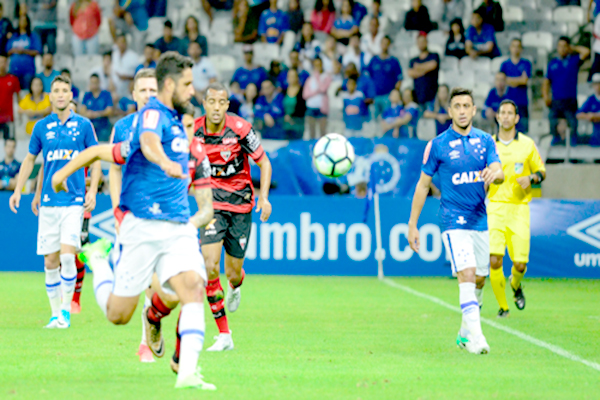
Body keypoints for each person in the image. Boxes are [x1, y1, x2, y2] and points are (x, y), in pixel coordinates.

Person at [75, 52, 217, 389]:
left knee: (194, 288)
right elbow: (139, 147)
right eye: (186, 84)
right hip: (141, 223)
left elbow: (207, 203)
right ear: (169, 85)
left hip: (177, 225)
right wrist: (165, 162)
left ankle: (187, 374)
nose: (192, 90)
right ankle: (99, 260)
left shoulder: (188, 139)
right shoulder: (149, 118)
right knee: (118, 315)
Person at [408, 87, 504, 354]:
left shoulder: (485, 140)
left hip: (479, 219)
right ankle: (477, 337)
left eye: (467, 106)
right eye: (457, 106)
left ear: (474, 110)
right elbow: (422, 185)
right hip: (452, 220)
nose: (462, 111)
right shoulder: (437, 145)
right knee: (468, 274)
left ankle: (464, 333)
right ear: (449, 111)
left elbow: (499, 170)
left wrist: (494, 174)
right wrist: (412, 224)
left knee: (481, 278)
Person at [9, 75, 101, 329]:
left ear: (71, 95)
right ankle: (54, 315)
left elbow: (95, 159)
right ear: (51, 96)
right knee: (50, 261)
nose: (61, 94)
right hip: (49, 203)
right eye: (56, 90)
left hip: (73, 201)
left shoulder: (83, 126)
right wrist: (20, 190)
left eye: (65, 90)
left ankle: (66, 311)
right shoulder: (41, 128)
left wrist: (92, 189)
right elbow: (34, 162)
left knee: (68, 257)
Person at [192, 81, 273, 354]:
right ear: (205, 104)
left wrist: (263, 197)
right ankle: (224, 334)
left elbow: (264, 162)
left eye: (221, 102)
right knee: (209, 266)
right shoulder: (194, 131)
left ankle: (235, 286)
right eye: (211, 102)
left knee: (233, 272)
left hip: (240, 205)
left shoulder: (241, 130)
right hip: (211, 207)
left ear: (227, 104)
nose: (216, 107)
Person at [106, 68, 158, 362]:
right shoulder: (123, 127)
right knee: (140, 284)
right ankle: (145, 341)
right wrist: (116, 209)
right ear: (134, 95)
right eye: (144, 91)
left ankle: (147, 339)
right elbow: (114, 168)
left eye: (153, 90)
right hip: (131, 215)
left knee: (161, 284)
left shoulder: (168, 124)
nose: (149, 95)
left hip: (161, 214)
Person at [488, 99, 545, 318]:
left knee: (520, 264)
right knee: (495, 259)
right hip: (495, 207)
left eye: (510, 113)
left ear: (516, 118)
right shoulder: (488, 144)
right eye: (502, 112)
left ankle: (515, 285)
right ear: (497, 116)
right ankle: (503, 307)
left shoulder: (528, 144)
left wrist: (532, 177)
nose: (505, 116)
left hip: (520, 208)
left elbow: (542, 172)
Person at [543, 36, 590, 146]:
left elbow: (586, 52)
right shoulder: (552, 63)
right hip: (556, 100)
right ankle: (556, 147)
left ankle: (573, 149)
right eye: (560, 46)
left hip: (570, 100)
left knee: (572, 125)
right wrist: (546, 96)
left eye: (564, 46)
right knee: (553, 124)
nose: (562, 49)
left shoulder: (573, 60)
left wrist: (572, 48)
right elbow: (546, 82)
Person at [498, 39, 531, 134]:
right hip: (508, 101)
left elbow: (524, 80)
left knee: (522, 132)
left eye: (518, 46)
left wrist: (510, 80)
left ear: (521, 49)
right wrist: (519, 80)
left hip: (522, 102)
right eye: (513, 46)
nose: (516, 49)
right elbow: (502, 80)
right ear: (510, 48)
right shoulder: (504, 65)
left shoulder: (526, 63)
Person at [366, 35, 402, 119]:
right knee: (373, 121)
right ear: (380, 44)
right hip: (375, 97)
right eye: (383, 43)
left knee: (387, 119)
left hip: (387, 97)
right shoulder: (374, 60)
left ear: (389, 45)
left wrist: (394, 94)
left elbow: (399, 80)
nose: (385, 45)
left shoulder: (394, 61)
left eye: (387, 43)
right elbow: (368, 77)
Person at [6, 13, 42, 90]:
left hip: (28, 71)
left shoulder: (32, 36)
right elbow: (7, 51)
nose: (22, 22)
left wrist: (24, 51)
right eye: (21, 20)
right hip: (14, 70)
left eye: (24, 21)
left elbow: (37, 51)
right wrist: (15, 50)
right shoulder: (14, 36)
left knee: (26, 92)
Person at [408, 32, 440, 108]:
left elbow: (433, 65)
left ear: (427, 42)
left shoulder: (433, 55)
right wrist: (425, 70)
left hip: (432, 95)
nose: (421, 44)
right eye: (419, 42)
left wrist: (418, 67)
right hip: (418, 96)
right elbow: (410, 73)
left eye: (423, 41)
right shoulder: (413, 60)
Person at [303, 57, 332, 139]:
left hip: (321, 108)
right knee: (312, 132)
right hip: (311, 108)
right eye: (315, 65)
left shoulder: (326, 77)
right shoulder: (310, 79)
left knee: (322, 132)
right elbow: (305, 95)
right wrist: (316, 92)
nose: (317, 67)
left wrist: (317, 77)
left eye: (319, 65)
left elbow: (323, 88)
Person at [81, 74, 114, 142]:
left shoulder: (106, 94)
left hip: (103, 126)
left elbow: (109, 110)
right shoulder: (87, 95)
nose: (93, 85)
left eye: (95, 82)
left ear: (99, 82)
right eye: (92, 82)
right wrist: (88, 114)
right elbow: (82, 111)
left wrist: (97, 114)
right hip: (90, 126)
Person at [111, 34, 140, 99]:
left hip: (128, 90)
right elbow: (112, 71)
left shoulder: (134, 57)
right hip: (115, 90)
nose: (121, 44)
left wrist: (127, 77)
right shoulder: (114, 54)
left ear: (126, 43)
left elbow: (138, 74)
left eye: (123, 42)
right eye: (119, 42)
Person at [0, 56, 22, 140]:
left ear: (7, 64)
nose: (2, 65)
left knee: (9, 142)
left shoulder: (13, 79)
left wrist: (20, 114)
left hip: (8, 118)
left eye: (4, 62)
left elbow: (19, 97)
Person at [576, 73, 600, 146]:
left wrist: (595, 116)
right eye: (595, 84)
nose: (598, 86)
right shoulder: (591, 99)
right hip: (596, 135)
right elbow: (578, 114)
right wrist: (588, 116)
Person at [283, 68, 306, 140]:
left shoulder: (302, 91)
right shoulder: (284, 91)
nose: (291, 78)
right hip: (285, 124)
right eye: (289, 76)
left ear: (297, 77)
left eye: (293, 76)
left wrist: (291, 116)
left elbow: (302, 108)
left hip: (297, 124)